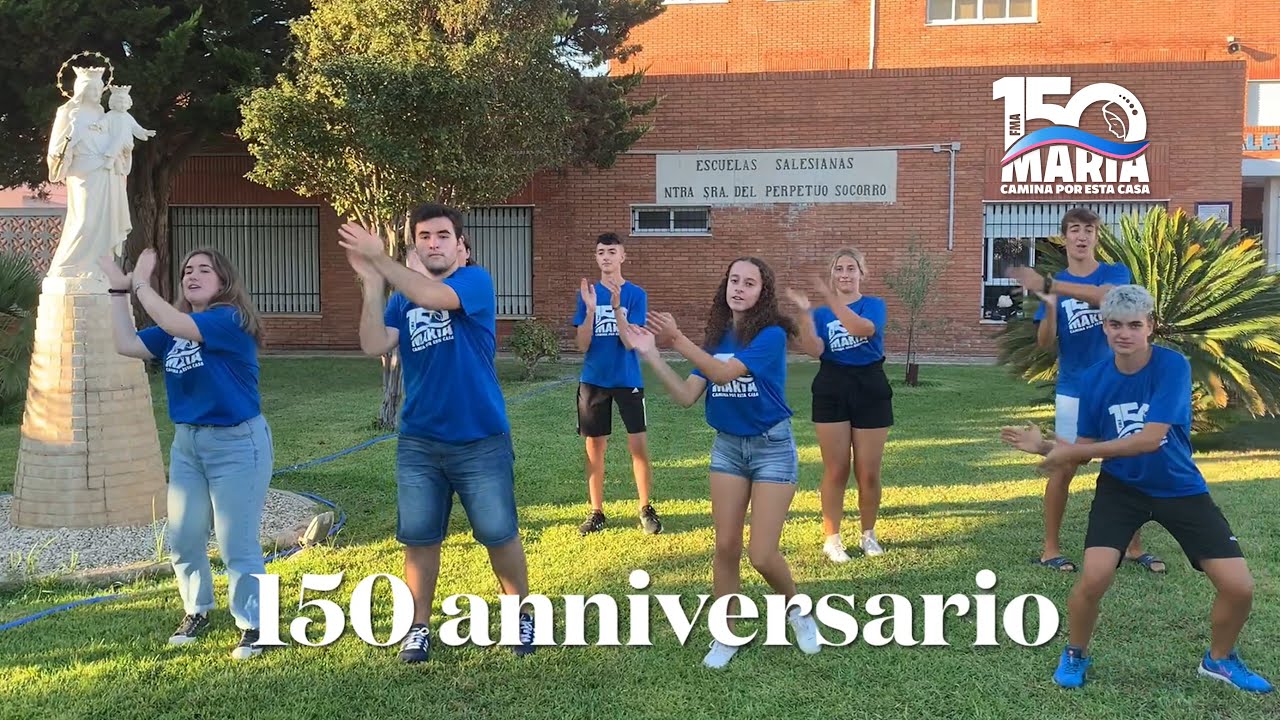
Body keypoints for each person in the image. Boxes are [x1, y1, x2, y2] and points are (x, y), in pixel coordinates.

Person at [1000, 285, 1272, 693]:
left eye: (1134, 325)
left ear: (1150, 327)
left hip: (1180, 488)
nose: (1123, 333)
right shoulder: (1095, 379)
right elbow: (1088, 450)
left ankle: (1219, 659)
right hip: (1121, 489)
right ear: (1104, 327)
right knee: (1094, 577)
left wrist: (1071, 450)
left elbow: (1150, 439)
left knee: (1239, 586)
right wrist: (1048, 448)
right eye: (1114, 325)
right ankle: (1076, 652)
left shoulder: (1171, 367)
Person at [338, 203, 535, 663]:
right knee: (420, 538)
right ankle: (417, 628)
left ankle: (521, 614)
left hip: (479, 438)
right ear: (415, 247)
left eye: (444, 235)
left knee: (499, 534)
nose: (434, 243)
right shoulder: (402, 297)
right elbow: (373, 344)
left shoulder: (475, 283)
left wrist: (380, 260)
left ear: (462, 248)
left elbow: (435, 298)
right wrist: (371, 282)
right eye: (424, 236)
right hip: (420, 443)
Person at [624, 257, 821, 669]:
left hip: (772, 448)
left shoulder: (768, 335)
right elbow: (685, 395)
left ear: (762, 292)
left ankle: (798, 611)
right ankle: (727, 635)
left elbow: (725, 374)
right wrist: (651, 354)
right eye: (734, 280)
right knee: (726, 547)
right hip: (729, 449)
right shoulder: (716, 338)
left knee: (762, 555)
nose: (739, 288)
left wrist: (677, 340)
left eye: (750, 283)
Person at [99, 247, 273, 660]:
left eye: (203, 269)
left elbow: (171, 319)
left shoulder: (228, 319)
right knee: (184, 537)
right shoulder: (177, 329)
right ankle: (196, 609)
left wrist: (140, 280)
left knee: (237, 543)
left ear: (223, 279)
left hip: (236, 444)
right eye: (186, 271)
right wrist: (117, 291)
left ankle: (256, 625)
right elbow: (126, 344)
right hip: (188, 445)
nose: (191, 275)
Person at [1007, 207, 1161, 574]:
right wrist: (1048, 306)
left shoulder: (1114, 272)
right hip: (1074, 388)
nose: (1081, 236)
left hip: (1119, 385)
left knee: (1128, 464)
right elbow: (1046, 344)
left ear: (1096, 236)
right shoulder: (1055, 285)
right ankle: (1050, 551)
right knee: (1064, 464)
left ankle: (1134, 548)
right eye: (1074, 230)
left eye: (1088, 230)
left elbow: (1107, 297)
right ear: (1065, 238)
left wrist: (1052, 288)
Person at [787, 247, 892, 563]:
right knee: (836, 469)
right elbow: (814, 350)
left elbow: (863, 329)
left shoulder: (874, 305)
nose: (845, 274)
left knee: (868, 471)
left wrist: (830, 299)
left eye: (851, 268)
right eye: (839, 269)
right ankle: (832, 539)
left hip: (870, 385)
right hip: (832, 384)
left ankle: (868, 535)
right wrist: (805, 314)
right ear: (833, 274)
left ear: (862, 273)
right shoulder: (821, 314)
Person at [572, 232, 661, 535]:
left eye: (612, 251)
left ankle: (646, 508)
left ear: (623, 256)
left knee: (638, 445)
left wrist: (617, 306)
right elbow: (582, 345)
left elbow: (630, 343)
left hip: (627, 380)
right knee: (594, 447)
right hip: (593, 379)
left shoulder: (636, 294)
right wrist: (592, 311)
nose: (606, 257)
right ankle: (596, 512)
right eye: (600, 252)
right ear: (596, 258)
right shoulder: (587, 294)